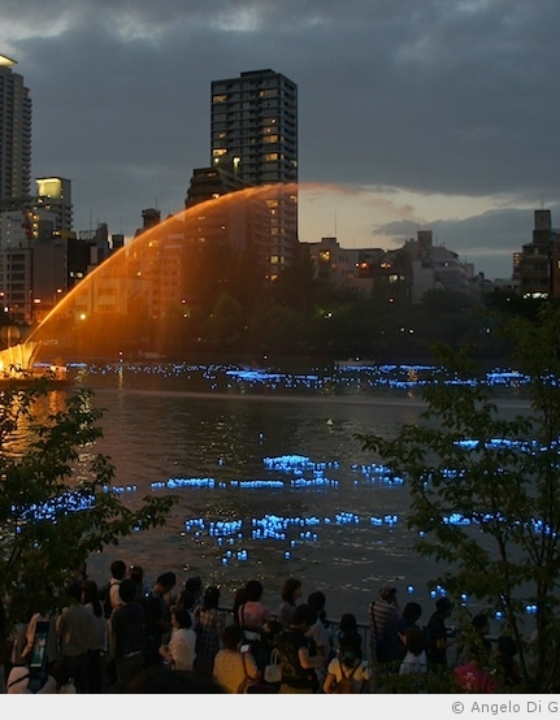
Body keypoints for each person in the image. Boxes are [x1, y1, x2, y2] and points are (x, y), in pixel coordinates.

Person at [276, 603, 324, 693]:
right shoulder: (301, 640)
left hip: (284, 682)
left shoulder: (281, 635)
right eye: (309, 625)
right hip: (301, 686)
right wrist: (320, 660)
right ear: (304, 622)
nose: (309, 629)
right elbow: (305, 663)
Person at [111, 578, 146, 690]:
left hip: (124, 653)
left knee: (125, 684)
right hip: (139, 650)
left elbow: (114, 634)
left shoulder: (118, 614)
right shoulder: (140, 609)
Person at [56, 582, 92, 692]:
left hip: (69, 653)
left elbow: (58, 630)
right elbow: (88, 630)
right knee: (83, 683)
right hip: (83, 651)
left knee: (69, 685)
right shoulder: (86, 611)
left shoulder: (66, 612)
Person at [142, 571, 176, 668]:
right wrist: (169, 628)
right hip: (153, 634)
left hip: (149, 633)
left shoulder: (150, 594)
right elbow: (159, 620)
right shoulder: (155, 600)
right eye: (168, 588)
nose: (167, 591)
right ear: (162, 585)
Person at [213, 624, 260, 693]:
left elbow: (215, 675)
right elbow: (255, 675)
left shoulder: (219, 654)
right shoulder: (245, 658)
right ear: (240, 642)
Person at [81, 579, 107, 693]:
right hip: (99, 644)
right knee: (97, 675)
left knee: (89, 676)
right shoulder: (99, 605)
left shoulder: (86, 609)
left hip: (89, 646)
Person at [194, 585, 225, 676]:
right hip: (211, 647)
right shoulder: (219, 614)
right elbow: (220, 634)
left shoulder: (199, 609)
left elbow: (195, 624)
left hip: (199, 643)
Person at [368, 584, 400, 664]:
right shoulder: (390, 609)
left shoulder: (372, 605)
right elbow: (398, 619)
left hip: (374, 642)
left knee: (375, 665)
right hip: (386, 644)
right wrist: (395, 603)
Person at [426, 597, 457, 670]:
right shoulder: (438, 623)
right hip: (436, 659)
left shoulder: (435, 618)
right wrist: (454, 642)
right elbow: (440, 644)